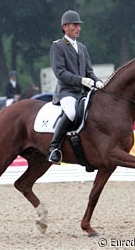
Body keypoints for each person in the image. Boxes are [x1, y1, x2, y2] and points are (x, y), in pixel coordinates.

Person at [48, 10, 104, 164]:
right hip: (66, 92)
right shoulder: (58, 47)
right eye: (75, 25)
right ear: (65, 27)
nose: (78, 28)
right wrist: (81, 80)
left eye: (79, 25)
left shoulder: (82, 47)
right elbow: (60, 73)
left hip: (82, 92)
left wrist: (98, 82)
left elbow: (89, 71)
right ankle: (54, 147)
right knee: (72, 113)